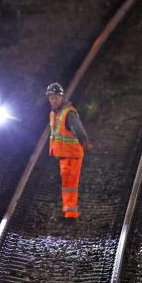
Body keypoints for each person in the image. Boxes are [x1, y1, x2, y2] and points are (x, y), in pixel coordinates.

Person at [46, 82, 93, 220]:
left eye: (55, 97)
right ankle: (69, 211)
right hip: (63, 155)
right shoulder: (54, 113)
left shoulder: (69, 113)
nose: (53, 100)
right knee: (67, 184)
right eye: (51, 98)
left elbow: (79, 130)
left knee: (70, 184)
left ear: (62, 97)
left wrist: (85, 143)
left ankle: (71, 214)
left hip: (72, 155)